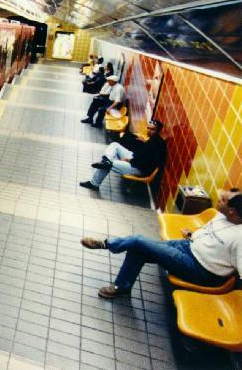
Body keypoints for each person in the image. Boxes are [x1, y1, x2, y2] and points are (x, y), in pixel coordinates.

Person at [81, 188, 242, 298]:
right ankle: (121, 287)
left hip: (199, 268)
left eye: (223, 199)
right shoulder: (223, 216)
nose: (219, 199)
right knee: (138, 249)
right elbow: (212, 236)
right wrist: (194, 234)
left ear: (232, 211)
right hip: (188, 246)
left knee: (138, 240)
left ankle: (105, 244)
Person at [80, 119, 166, 191]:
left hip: (138, 168)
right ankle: (105, 160)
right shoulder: (154, 140)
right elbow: (144, 154)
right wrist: (144, 142)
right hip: (135, 159)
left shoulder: (155, 144)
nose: (149, 131)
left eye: (152, 129)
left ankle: (94, 183)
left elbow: (145, 162)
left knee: (109, 163)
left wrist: (129, 160)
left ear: (158, 131)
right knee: (115, 145)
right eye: (148, 128)